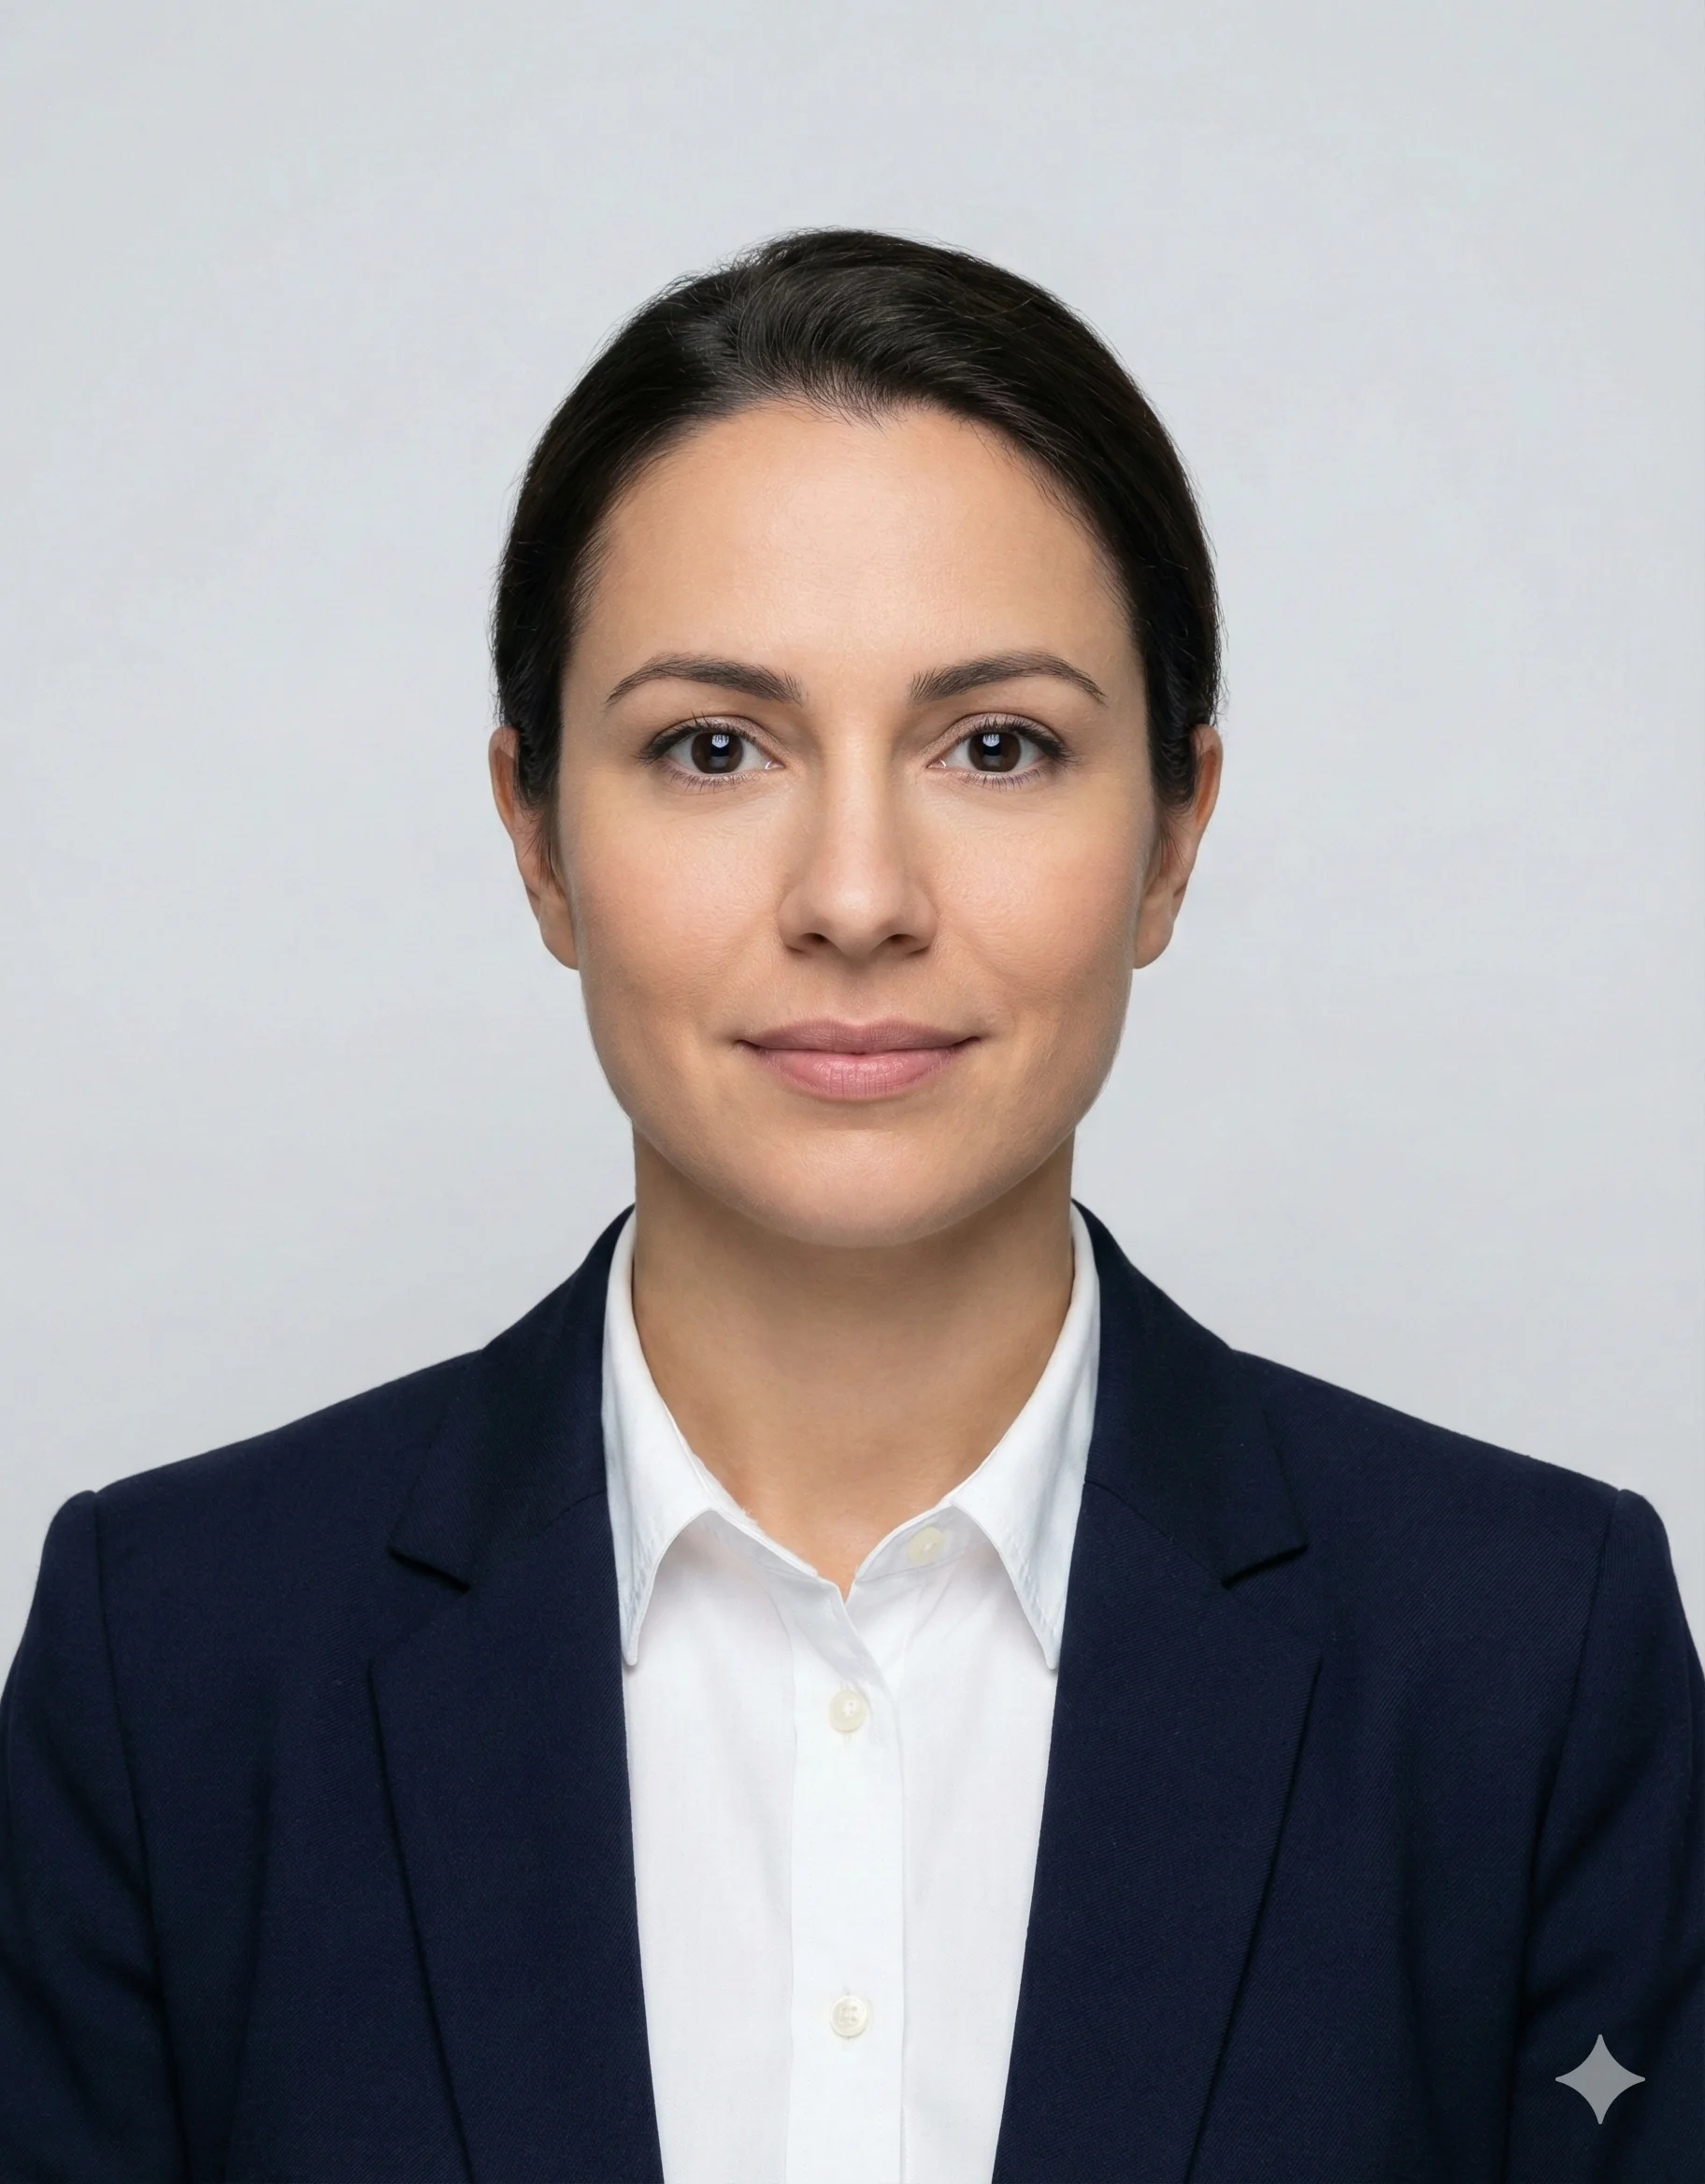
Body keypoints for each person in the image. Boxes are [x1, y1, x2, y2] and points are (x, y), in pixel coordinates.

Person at [0, 229, 1698, 2184]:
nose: (860, 893)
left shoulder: (1525, 1659)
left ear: (1174, 836)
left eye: (1000, 746)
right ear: (538, 837)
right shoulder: (182, 1664)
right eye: (713, 748)